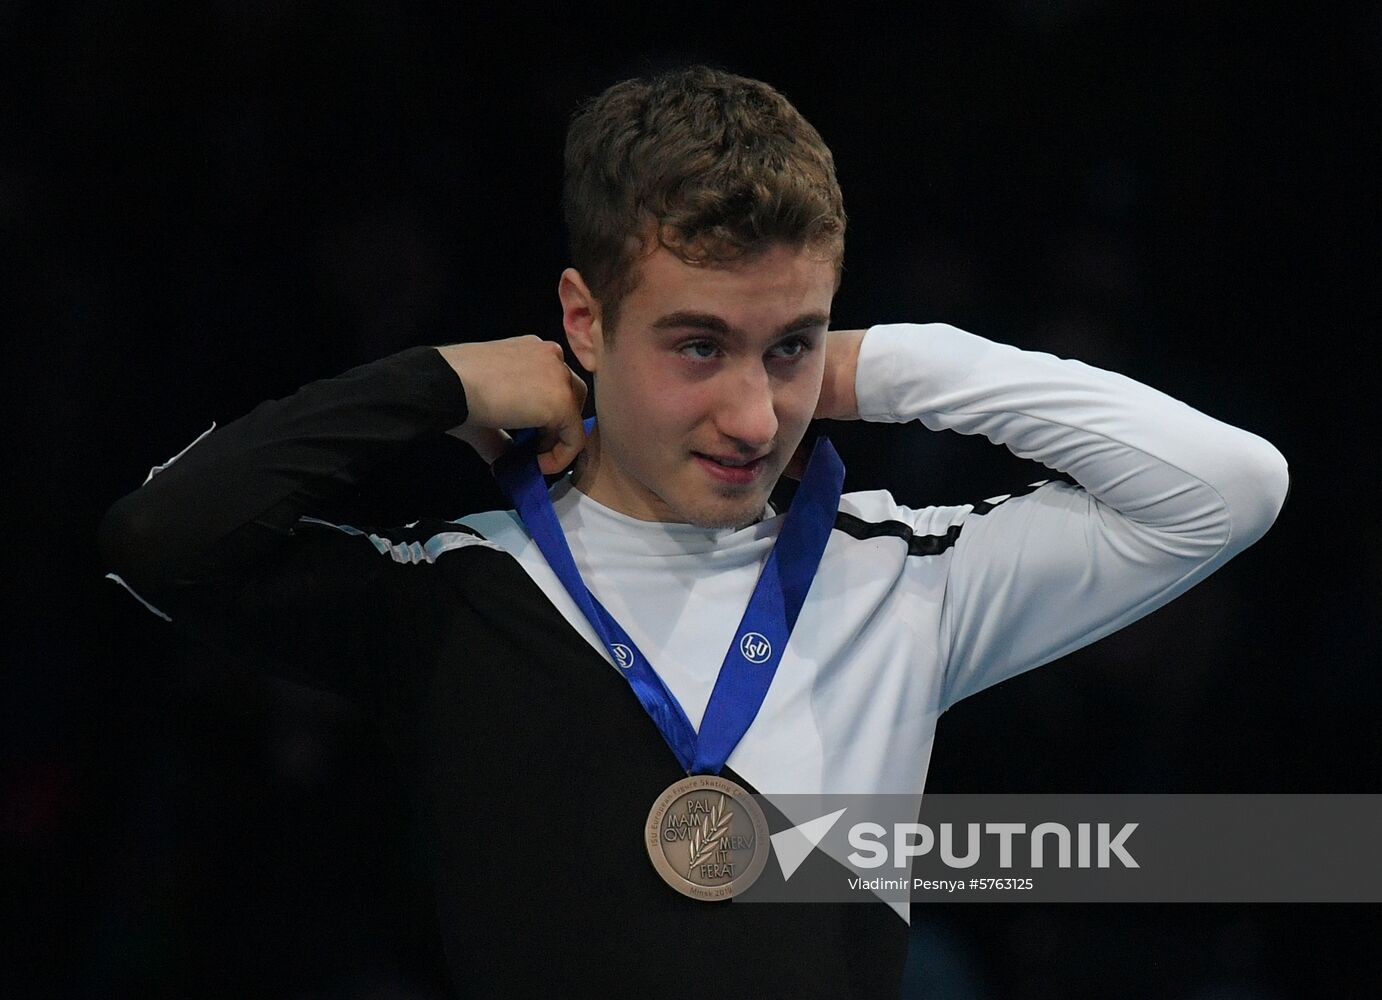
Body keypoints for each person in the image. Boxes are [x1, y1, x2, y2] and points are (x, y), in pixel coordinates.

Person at [98, 65, 1289, 997]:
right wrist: (438, 380)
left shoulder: (902, 578)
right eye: (698, 345)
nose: (752, 413)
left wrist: (877, 367)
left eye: (789, 345)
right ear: (583, 317)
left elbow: (1226, 485)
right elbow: (161, 536)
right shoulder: (459, 587)